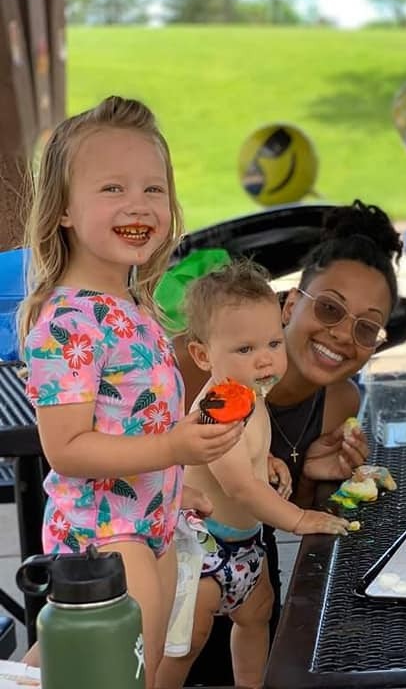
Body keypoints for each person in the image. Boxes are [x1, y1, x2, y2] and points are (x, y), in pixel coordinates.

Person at [16, 96, 244, 688]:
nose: (138, 204)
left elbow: (133, 424)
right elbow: (68, 448)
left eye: (153, 189)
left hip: (153, 523)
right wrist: (174, 450)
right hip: (103, 538)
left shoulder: (133, 305)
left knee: (121, 674)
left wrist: (176, 481)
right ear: (63, 209)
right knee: (106, 675)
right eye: (112, 188)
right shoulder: (68, 321)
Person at [177, 199, 404, 685]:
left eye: (366, 327)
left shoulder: (341, 400)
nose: (343, 334)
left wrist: (308, 478)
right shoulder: (193, 361)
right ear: (289, 303)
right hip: (176, 557)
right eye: (328, 307)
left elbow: (272, 498)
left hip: (248, 562)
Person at [156, 260, 351, 688]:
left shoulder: (249, 394)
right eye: (245, 350)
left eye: (272, 343)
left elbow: (247, 457)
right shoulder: (215, 414)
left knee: (258, 615)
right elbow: (238, 486)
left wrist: (264, 459)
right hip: (204, 546)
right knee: (188, 640)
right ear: (203, 355)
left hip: (244, 544)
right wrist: (298, 518)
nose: (264, 359)